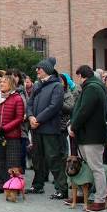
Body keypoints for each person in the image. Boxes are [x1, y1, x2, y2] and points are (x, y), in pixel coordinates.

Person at [68, 65, 107, 212]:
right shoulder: (93, 87)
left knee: (96, 168)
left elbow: (84, 110)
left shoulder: (92, 88)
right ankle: (83, 194)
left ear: (80, 75)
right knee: (86, 166)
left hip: (92, 135)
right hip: (87, 134)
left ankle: (100, 199)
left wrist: (74, 126)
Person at [26, 57, 68, 199]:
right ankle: (38, 185)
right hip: (36, 127)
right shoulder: (37, 85)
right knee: (37, 158)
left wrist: (38, 119)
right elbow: (29, 103)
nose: (37, 70)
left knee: (53, 158)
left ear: (47, 70)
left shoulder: (57, 86)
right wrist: (31, 116)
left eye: (40, 68)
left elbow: (54, 106)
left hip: (49, 128)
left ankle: (62, 188)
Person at [0, 74, 25, 193]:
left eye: (4, 82)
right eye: (1, 82)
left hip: (12, 135)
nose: (1, 83)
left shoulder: (17, 98)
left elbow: (19, 118)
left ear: (11, 84)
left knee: (12, 161)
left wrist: (4, 129)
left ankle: (12, 185)